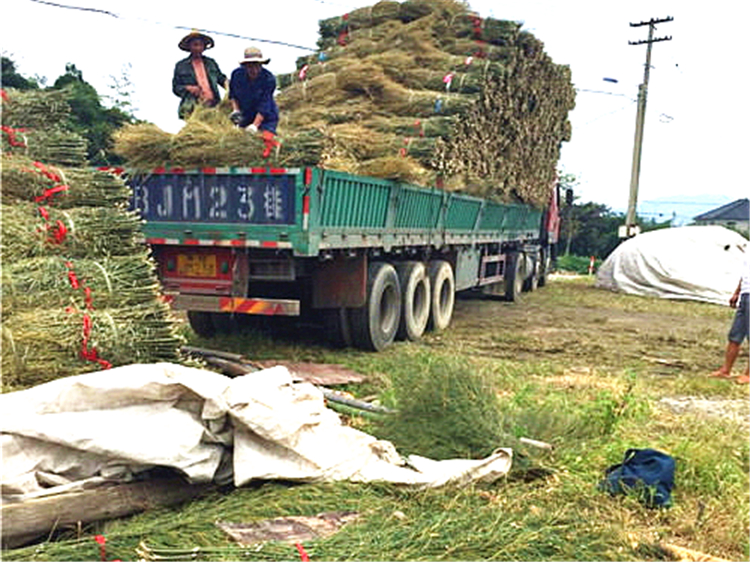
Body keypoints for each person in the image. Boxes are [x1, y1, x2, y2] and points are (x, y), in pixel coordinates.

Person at [710, 249, 749, 384]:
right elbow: (745, 273)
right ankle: (725, 370)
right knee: (735, 335)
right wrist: (737, 292)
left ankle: (748, 374)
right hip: (745, 293)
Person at [172, 30, 228, 119]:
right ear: (189, 46)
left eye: (200, 45)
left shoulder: (211, 63)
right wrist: (189, 88)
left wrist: (229, 87)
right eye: (195, 45)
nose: (198, 48)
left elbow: (221, 78)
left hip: (213, 106)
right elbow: (176, 88)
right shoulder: (181, 66)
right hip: (192, 108)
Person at [229, 47, 279, 134]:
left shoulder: (269, 79)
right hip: (246, 113)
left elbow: (265, 105)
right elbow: (233, 95)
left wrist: (255, 125)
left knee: (266, 139)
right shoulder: (237, 75)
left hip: (266, 118)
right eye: (250, 66)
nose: (254, 70)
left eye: (257, 66)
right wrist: (236, 111)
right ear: (245, 66)